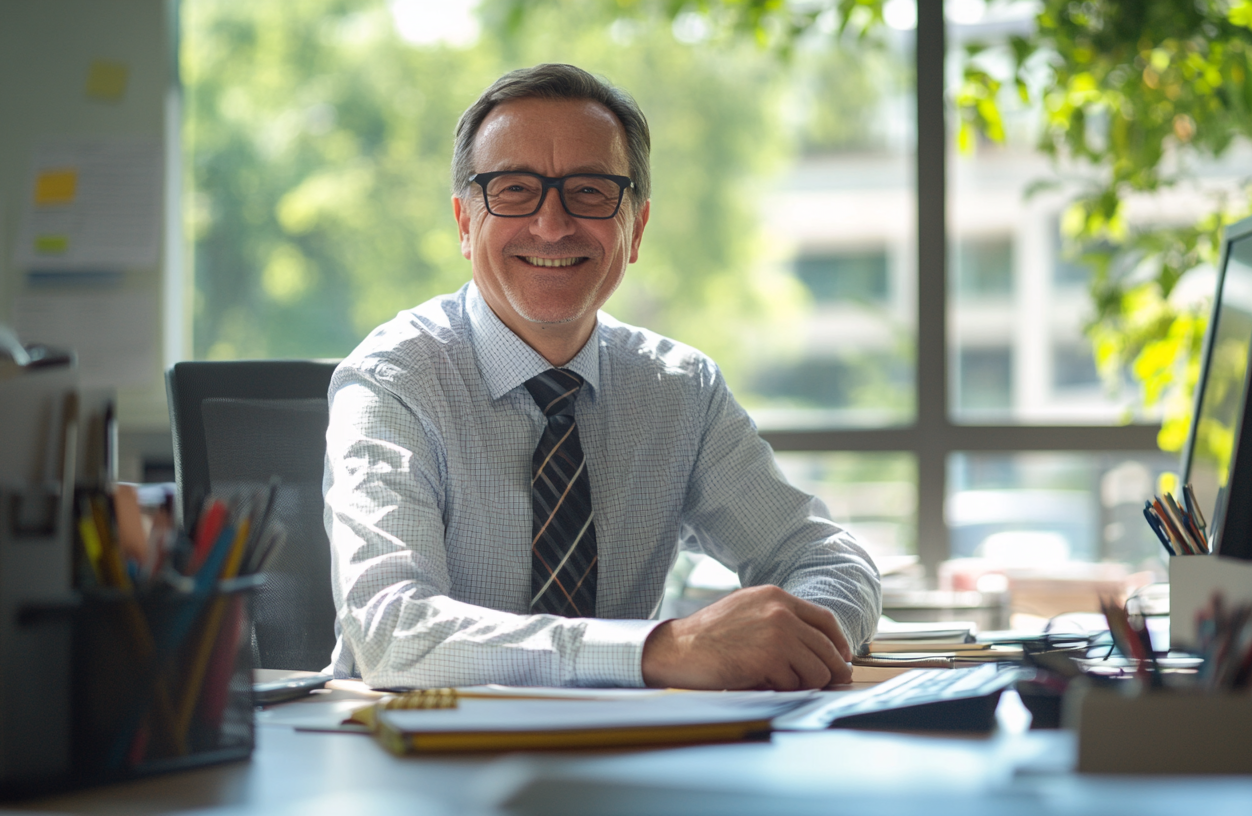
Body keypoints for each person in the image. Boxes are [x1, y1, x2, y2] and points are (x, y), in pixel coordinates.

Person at [324, 63, 880, 691]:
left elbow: (829, 560)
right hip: (417, 760)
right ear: (464, 222)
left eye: (589, 191)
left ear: (635, 228)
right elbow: (389, 631)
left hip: (628, 757)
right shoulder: (393, 382)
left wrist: (801, 637)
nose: (553, 224)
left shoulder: (679, 391)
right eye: (513, 189)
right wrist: (658, 650)